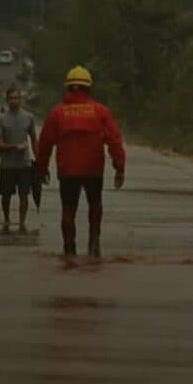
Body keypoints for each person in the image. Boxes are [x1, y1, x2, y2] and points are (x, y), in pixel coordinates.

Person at [35, 65, 126, 257]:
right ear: (89, 88)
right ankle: (94, 244)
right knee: (95, 204)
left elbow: (44, 145)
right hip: (93, 169)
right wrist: (119, 168)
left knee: (68, 210)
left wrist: (41, 169)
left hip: (67, 170)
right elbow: (115, 141)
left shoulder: (57, 113)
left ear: (68, 87)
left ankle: (69, 250)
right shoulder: (101, 112)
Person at [0, 87, 37, 232]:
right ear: (7, 100)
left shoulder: (28, 117)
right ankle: (6, 219)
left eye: (17, 98)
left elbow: (34, 140)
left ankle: (22, 222)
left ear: (20, 100)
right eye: (11, 98)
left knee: (24, 194)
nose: (14, 101)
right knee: (6, 195)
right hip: (7, 164)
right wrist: (13, 147)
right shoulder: (0, 119)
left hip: (24, 163)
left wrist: (40, 160)